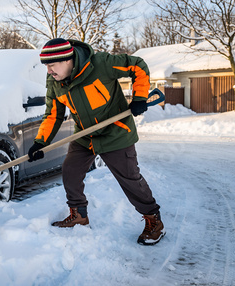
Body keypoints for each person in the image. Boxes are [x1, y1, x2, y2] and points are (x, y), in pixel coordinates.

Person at [28, 38, 165, 245]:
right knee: (70, 172)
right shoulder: (55, 81)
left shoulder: (101, 63)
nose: (49, 71)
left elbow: (138, 65)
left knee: (130, 179)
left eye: (52, 65)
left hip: (116, 132)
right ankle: (79, 216)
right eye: (46, 66)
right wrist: (41, 142)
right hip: (85, 135)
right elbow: (53, 114)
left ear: (67, 60)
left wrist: (139, 97)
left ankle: (154, 221)